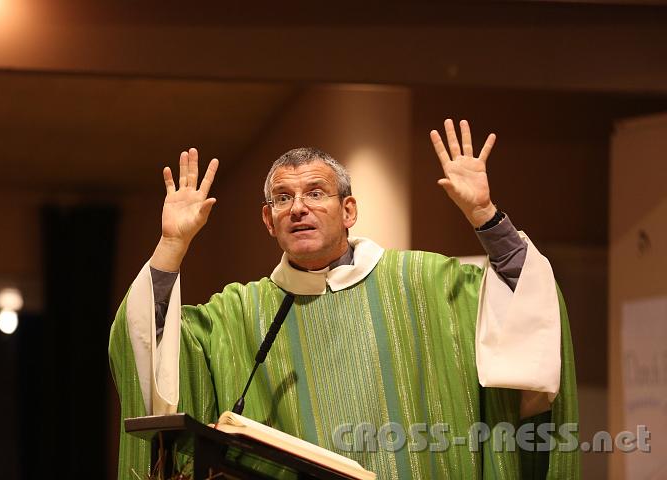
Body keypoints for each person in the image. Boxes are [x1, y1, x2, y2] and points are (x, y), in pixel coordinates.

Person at [109, 119, 579, 479]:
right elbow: (148, 348)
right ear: (268, 222)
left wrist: (484, 216)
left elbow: (529, 303)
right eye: (282, 199)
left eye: (316, 193)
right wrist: (172, 245)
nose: (298, 208)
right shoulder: (238, 315)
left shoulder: (428, 284)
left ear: (348, 210)